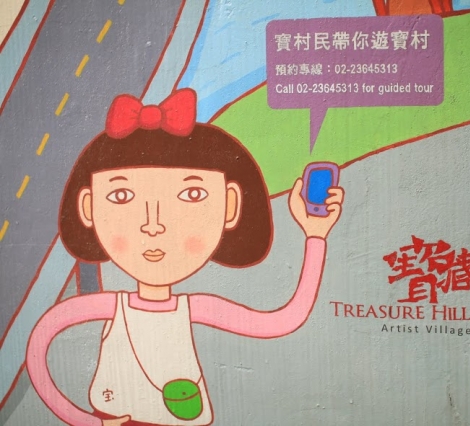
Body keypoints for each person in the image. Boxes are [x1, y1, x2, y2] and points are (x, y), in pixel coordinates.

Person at [26, 88, 345, 426]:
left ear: (231, 206)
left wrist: (315, 235)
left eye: (192, 194)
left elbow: (285, 320)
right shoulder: (109, 307)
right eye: (121, 195)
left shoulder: (193, 308)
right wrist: (92, 422)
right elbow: (37, 349)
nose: (153, 224)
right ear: (88, 207)